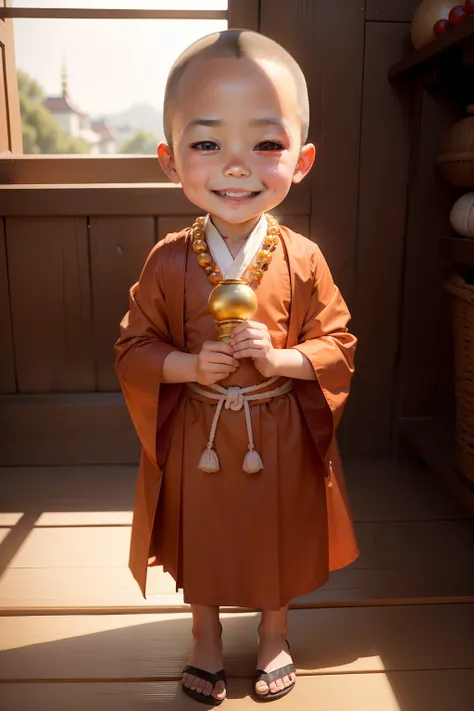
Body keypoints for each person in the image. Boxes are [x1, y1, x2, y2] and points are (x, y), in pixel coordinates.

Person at [115, 29, 358, 706]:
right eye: (206, 143)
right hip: (200, 432)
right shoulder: (167, 260)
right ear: (169, 160)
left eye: (267, 144)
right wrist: (189, 364)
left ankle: (275, 631)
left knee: (275, 532)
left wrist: (280, 357)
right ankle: (206, 634)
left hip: (275, 428)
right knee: (205, 537)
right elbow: (133, 348)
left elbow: (338, 341)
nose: (235, 166)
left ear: (302, 159)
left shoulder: (303, 258)